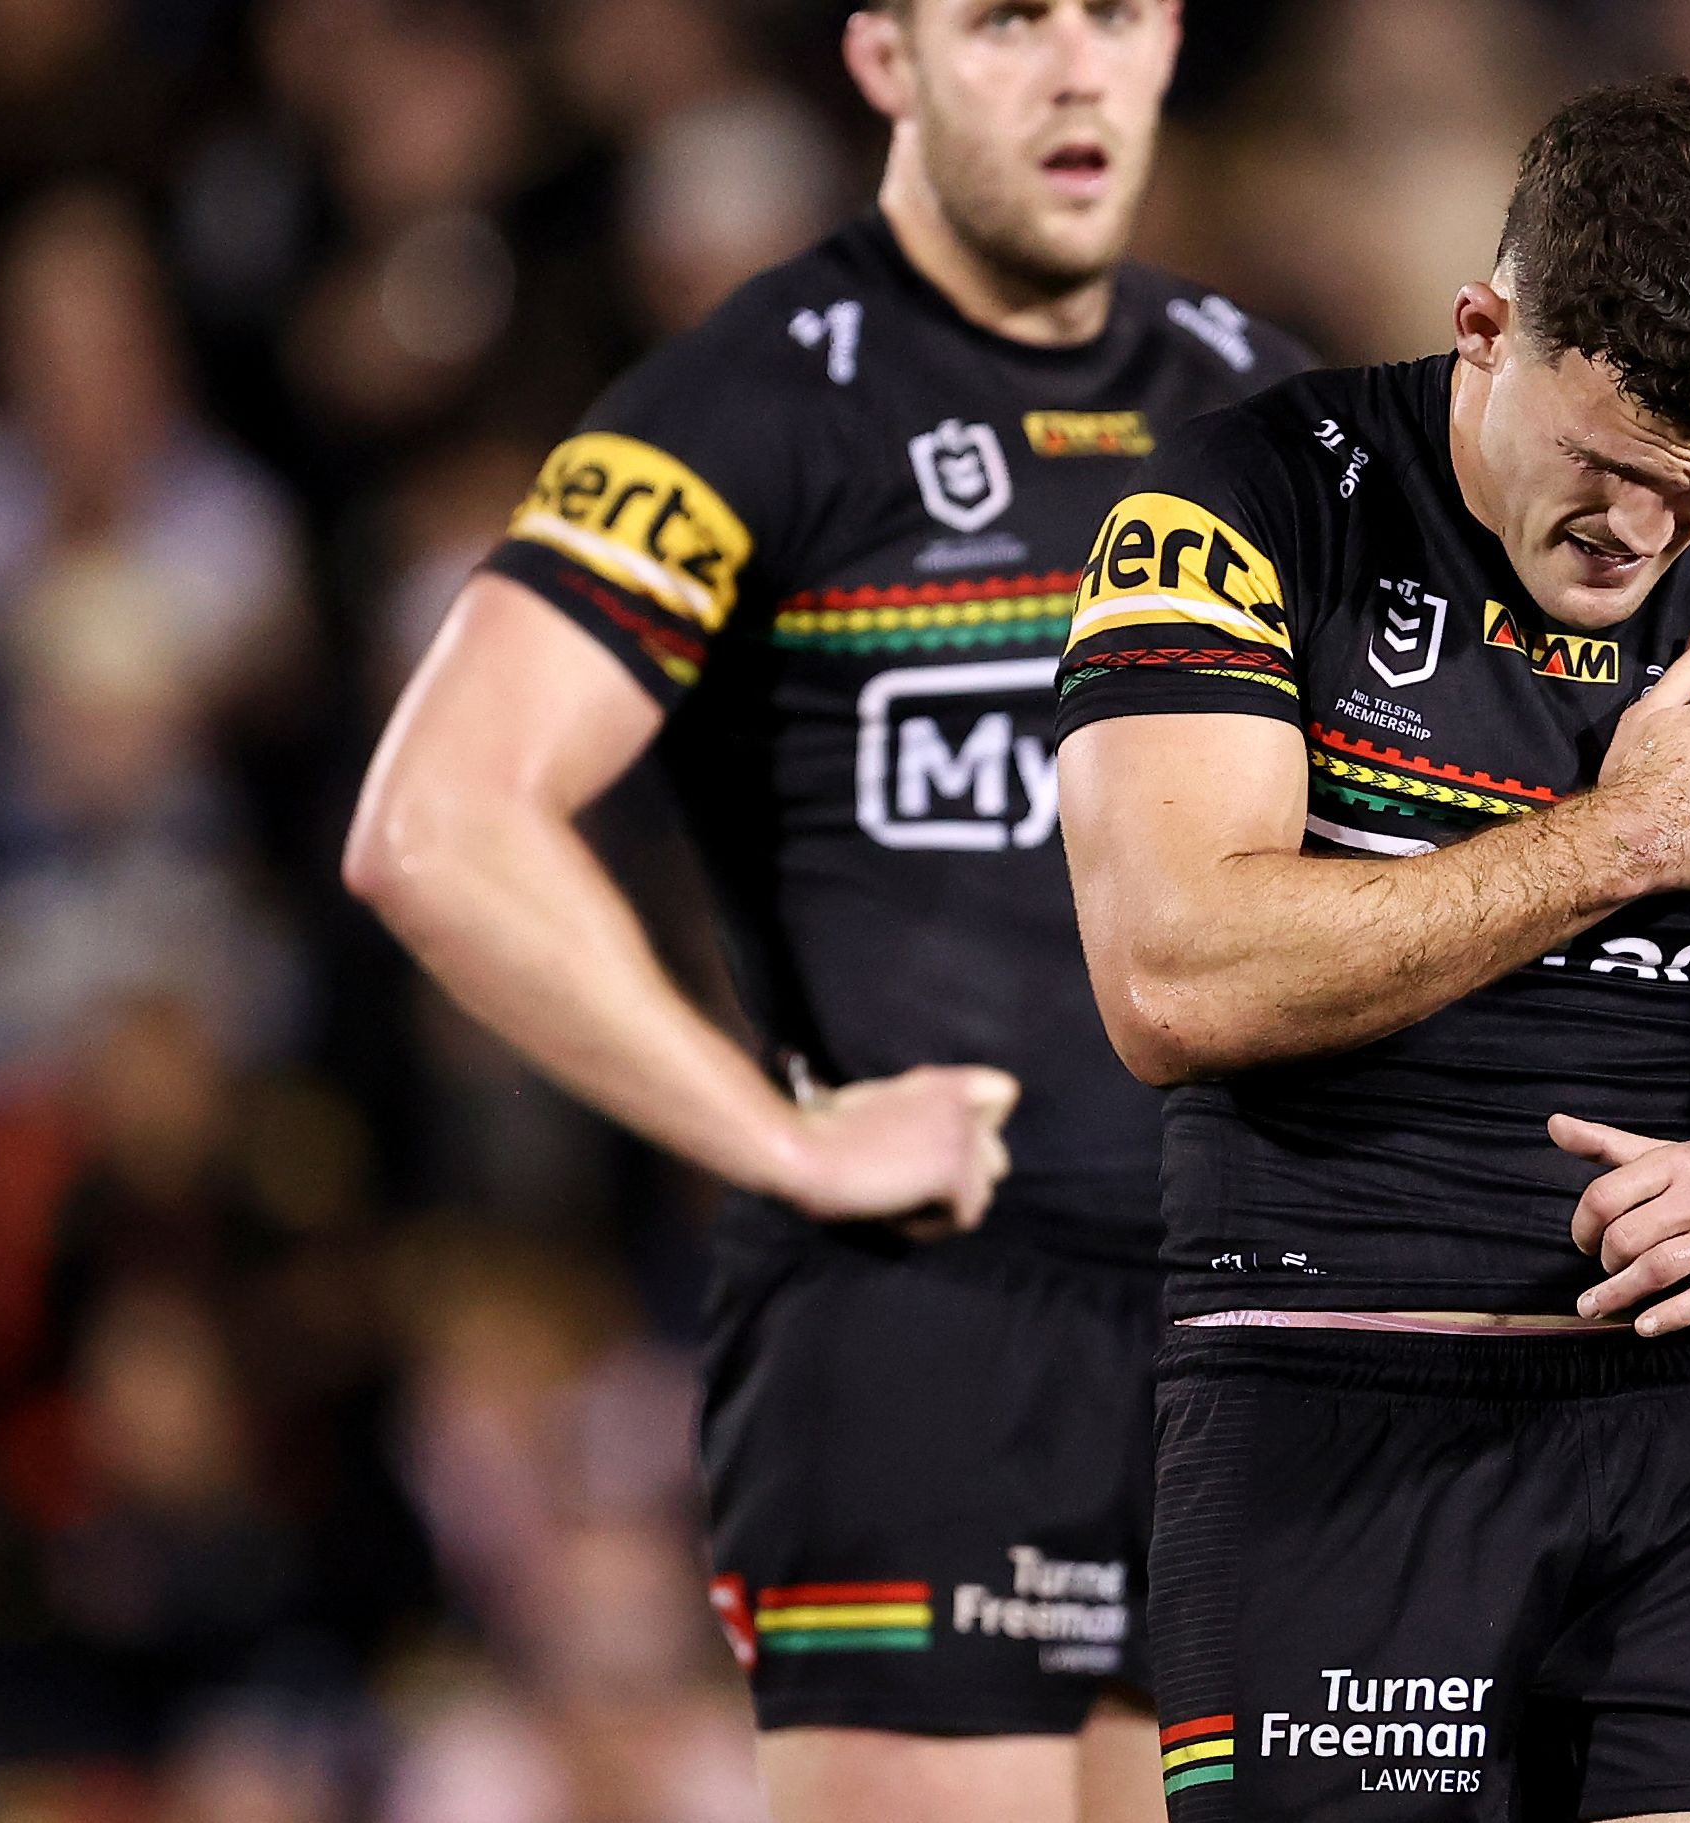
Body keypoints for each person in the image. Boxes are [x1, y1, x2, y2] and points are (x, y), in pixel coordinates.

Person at [1053, 77, 1690, 1823]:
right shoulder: (1241, 511)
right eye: (1605, 467)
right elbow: (1172, 978)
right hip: (1333, 1407)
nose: (1642, 534)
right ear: (1485, 329)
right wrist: (1623, 844)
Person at [341, 4, 1305, 1819]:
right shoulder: (757, 400)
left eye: (1118, 14)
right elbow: (437, 820)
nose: (1076, 68)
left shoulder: (1265, 396)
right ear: (884, 58)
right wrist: (776, 1137)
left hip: (1235, 1334)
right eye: (1010, 20)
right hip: (923, 1332)